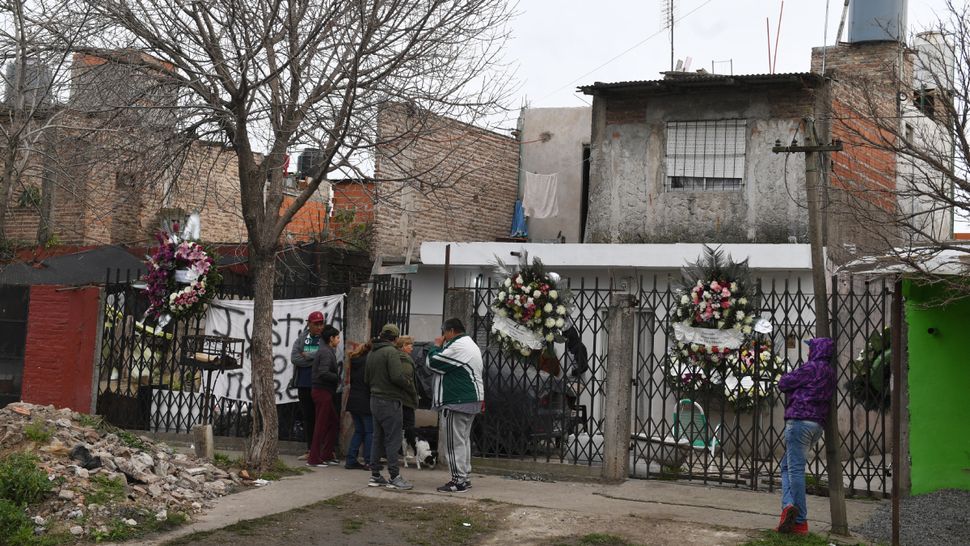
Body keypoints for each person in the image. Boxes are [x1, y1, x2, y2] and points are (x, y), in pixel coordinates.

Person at [776, 337, 836, 535]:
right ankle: (788, 507)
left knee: (795, 470)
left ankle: (799, 520)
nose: (809, 351)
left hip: (799, 422)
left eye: (811, 348)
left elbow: (784, 383)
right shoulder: (829, 372)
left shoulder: (811, 368)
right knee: (786, 466)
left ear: (817, 351)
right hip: (816, 425)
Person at [427, 318, 484, 493]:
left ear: (450, 331)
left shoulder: (458, 346)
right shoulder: (469, 344)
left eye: (444, 332)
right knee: (463, 440)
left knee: (453, 443)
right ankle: (464, 476)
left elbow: (434, 363)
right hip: (470, 400)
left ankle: (458, 481)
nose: (443, 336)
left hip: (457, 401)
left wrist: (435, 346)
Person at [364, 323, 414, 490]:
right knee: (393, 439)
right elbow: (396, 376)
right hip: (390, 401)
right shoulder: (391, 352)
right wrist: (407, 383)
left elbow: (366, 378)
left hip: (374, 399)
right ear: (396, 338)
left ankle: (375, 475)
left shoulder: (372, 351)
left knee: (377, 438)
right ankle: (394, 476)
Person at [290, 311, 326, 460]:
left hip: (320, 384)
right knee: (308, 417)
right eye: (316, 324)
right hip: (304, 384)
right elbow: (295, 358)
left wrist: (309, 356)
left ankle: (323, 449)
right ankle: (311, 449)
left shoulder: (325, 338)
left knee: (322, 417)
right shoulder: (301, 339)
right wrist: (315, 358)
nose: (319, 327)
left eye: (321, 323)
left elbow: (326, 355)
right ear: (309, 324)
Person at [307, 325, 341, 467]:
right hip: (322, 392)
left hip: (324, 391)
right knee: (320, 425)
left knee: (333, 423)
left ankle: (326, 454)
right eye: (337, 337)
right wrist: (337, 378)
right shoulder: (326, 352)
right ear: (331, 338)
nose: (339, 340)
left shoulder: (327, 351)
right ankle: (314, 459)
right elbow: (323, 372)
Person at [344, 341, 374, 470]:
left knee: (359, 431)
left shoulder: (356, 360)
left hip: (354, 400)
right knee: (369, 432)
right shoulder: (370, 362)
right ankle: (368, 461)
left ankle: (351, 459)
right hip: (365, 401)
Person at [394, 336, 420, 455]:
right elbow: (407, 380)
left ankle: (401, 450)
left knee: (400, 426)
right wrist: (414, 395)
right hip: (406, 399)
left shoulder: (398, 357)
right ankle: (407, 451)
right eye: (410, 345)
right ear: (403, 346)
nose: (412, 347)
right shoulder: (404, 360)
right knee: (408, 427)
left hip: (401, 398)